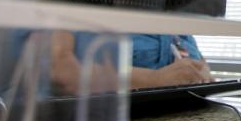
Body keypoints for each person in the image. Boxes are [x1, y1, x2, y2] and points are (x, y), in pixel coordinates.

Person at [49, 32, 213, 95]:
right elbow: (61, 70)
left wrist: (203, 75)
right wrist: (154, 80)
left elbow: (201, 66)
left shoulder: (180, 14)